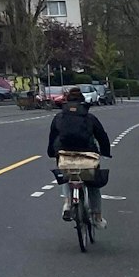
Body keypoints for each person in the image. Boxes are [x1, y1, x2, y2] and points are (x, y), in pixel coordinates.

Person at [47, 87, 112, 226]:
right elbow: (102, 136)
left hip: (64, 153)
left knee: (66, 174)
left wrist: (52, 152)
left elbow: (53, 137)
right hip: (87, 154)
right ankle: (97, 217)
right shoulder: (89, 118)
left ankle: (68, 203)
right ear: (83, 102)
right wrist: (106, 151)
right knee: (94, 185)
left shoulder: (59, 117)